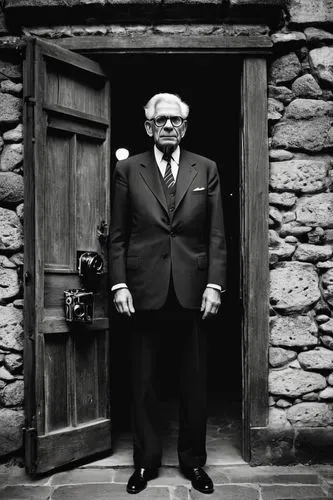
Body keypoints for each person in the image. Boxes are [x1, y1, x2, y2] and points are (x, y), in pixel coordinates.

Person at [109, 92, 227, 494]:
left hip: (194, 291)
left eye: (176, 121)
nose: (170, 127)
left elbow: (216, 235)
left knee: (194, 381)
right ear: (148, 127)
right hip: (144, 291)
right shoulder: (128, 169)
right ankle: (145, 463)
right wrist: (119, 282)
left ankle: (194, 463)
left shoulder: (206, 168)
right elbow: (120, 235)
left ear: (185, 126)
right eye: (162, 121)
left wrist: (215, 283)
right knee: (144, 381)